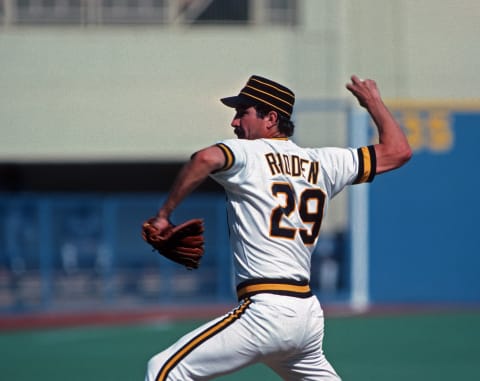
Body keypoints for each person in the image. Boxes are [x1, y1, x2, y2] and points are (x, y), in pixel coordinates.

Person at [144, 75, 412, 381]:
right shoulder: (323, 162)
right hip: (306, 316)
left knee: (163, 370)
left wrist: (164, 214)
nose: (234, 122)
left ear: (271, 118)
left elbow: (204, 157)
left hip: (267, 309)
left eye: (243, 111)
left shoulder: (248, 153)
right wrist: (373, 102)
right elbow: (398, 151)